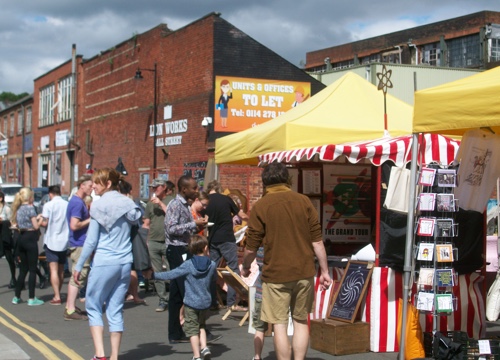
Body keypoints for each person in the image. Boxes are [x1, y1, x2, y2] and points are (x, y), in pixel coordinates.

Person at [241, 162, 332, 360]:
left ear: (265, 183)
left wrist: (246, 267)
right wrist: (324, 271)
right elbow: (317, 241)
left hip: (276, 275)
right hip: (304, 271)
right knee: (301, 321)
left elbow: (250, 248)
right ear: (287, 179)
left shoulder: (261, 206)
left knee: (280, 325)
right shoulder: (304, 201)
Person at [73, 167, 142, 360]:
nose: (93, 185)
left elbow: (92, 241)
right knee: (115, 309)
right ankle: (114, 357)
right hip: (125, 262)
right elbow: (136, 222)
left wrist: (78, 266)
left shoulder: (99, 205)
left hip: (105, 261)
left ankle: (100, 355)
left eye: (96, 182)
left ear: (108, 183)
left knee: (94, 306)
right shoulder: (127, 203)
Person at [144, 234, 215, 360]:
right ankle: (204, 347)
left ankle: (197, 355)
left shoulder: (188, 265)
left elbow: (171, 274)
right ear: (205, 248)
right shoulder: (212, 265)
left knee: (192, 330)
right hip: (205, 302)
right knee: (202, 326)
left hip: (191, 303)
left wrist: (154, 276)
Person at [164, 175, 208, 344]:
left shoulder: (184, 205)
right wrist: (193, 224)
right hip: (177, 250)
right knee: (189, 288)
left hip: (183, 248)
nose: (197, 191)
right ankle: (200, 329)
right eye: (194, 188)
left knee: (176, 294)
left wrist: (196, 225)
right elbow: (171, 228)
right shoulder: (175, 205)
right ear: (184, 189)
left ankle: (175, 332)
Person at [205, 180, 248, 311]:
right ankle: (232, 303)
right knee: (233, 269)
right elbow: (240, 214)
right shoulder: (226, 199)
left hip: (212, 239)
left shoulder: (206, 201)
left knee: (212, 270)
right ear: (219, 189)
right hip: (227, 238)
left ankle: (212, 301)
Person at [143, 178, 175, 312]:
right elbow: (146, 223)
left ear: (164, 187)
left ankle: (174, 298)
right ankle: (162, 299)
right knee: (157, 273)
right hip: (154, 241)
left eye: (156, 187)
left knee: (171, 271)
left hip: (169, 241)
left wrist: (160, 203)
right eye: (152, 187)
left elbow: (173, 215)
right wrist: (146, 239)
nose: (154, 190)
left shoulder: (172, 201)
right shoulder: (150, 204)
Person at [64, 174, 93, 320]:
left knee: (77, 273)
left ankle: (70, 307)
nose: (91, 188)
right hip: (79, 243)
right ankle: (70, 310)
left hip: (80, 243)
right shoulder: (76, 202)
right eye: (89, 185)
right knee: (78, 274)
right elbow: (74, 225)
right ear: (82, 185)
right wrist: (91, 218)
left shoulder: (78, 201)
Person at [10, 187, 44, 306]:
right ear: (30, 197)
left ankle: (16, 296)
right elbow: (35, 227)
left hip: (21, 237)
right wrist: (40, 219)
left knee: (23, 269)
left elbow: (18, 224)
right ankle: (31, 298)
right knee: (32, 269)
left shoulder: (18, 208)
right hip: (30, 237)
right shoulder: (30, 209)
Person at [38, 185, 69, 305]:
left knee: (53, 269)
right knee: (61, 270)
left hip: (51, 240)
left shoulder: (48, 205)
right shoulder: (66, 204)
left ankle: (56, 296)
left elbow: (45, 223)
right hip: (64, 240)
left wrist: (39, 220)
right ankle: (59, 292)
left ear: (50, 193)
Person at [118, 179, 146, 305]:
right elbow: (139, 220)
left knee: (119, 269)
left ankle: (121, 294)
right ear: (130, 191)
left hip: (118, 240)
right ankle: (134, 294)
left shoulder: (116, 203)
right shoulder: (133, 204)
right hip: (131, 238)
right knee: (132, 268)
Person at [251, 246, 267, 360]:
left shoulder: (260, 249)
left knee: (259, 328)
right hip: (278, 292)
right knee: (280, 327)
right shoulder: (280, 246)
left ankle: (257, 356)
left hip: (261, 290)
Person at [0, 191, 16, 289]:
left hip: (5, 237)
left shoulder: (6, 209)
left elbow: (12, 222)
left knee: (10, 259)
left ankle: (13, 278)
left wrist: (3, 221)